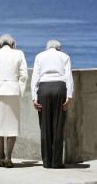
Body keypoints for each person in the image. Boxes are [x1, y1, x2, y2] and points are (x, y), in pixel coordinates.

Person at [0, 34, 28, 168]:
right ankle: (9, 158)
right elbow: (24, 75)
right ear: (12, 44)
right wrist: (20, 91)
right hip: (12, 91)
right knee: (12, 125)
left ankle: (1, 158)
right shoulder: (19, 53)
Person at [31, 40, 74, 169]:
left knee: (45, 127)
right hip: (60, 88)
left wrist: (34, 97)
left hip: (43, 89)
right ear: (59, 48)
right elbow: (68, 77)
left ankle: (47, 162)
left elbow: (35, 78)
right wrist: (69, 96)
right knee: (58, 126)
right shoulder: (65, 56)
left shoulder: (39, 56)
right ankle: (57, 162)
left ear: (47, 47)